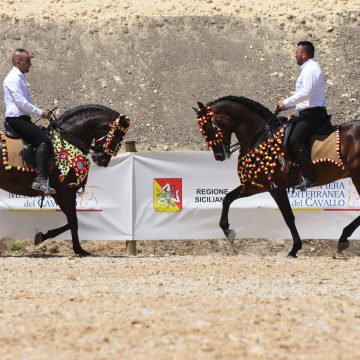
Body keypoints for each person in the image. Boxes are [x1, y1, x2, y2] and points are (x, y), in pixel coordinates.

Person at [277, 41, 330, 191]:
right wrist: (293, 112)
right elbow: (306, 97)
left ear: (304, 54)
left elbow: (305, 93)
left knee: (295, 139)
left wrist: (285, 103)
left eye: (297, 52)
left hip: (314, 114)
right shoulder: (307, 69)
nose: (295, 55)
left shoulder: (311, 69)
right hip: (308, 113)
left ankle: (310, 177)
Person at [3, 48, 56, 195]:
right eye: (28, 61)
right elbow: (21, 103)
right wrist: (41, 112)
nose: (30, 64)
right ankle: (40, 180)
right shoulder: (12, 79)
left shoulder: (20, 77)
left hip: (22, 118)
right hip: (16, 119)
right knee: (44, 141)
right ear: (18, 62)